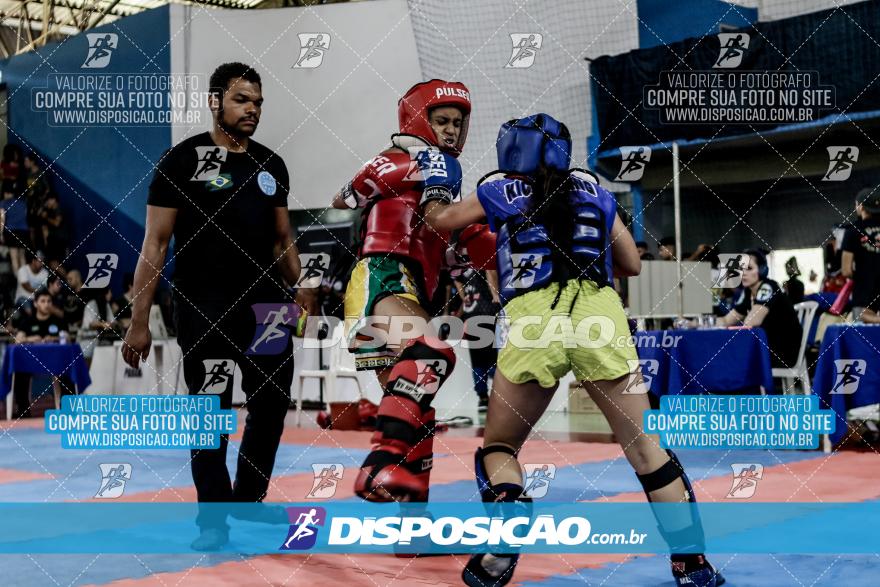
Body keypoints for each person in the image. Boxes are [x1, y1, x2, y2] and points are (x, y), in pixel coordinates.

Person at [425, 114, 723, 587]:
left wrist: (434, 183)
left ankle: (505, 526)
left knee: (500, 447)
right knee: (647, 450)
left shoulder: (498, 188)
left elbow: (438, 221)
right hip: (597, 310)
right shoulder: (594, 191)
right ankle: (693, 567)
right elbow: (631, 265)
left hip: (533, 315)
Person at [122, 62, 311, 551]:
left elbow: (281, 239)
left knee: (271, 403)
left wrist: (304, 282)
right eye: (241, 99)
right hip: (203, 303)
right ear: (214, 101)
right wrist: (138, 322)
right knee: (210, 409)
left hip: (270, 307)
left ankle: (247, 501)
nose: (252, 109)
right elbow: (154, 245)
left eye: (258, 101)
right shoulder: (181, 161)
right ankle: (213, 519)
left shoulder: (272, 165)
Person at [330, 79, 471, 503]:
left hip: (410, 285)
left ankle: (412, 529)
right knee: (432, 352)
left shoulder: (444, 176)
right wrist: (407, 166)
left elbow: (448, 238)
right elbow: (342, 199)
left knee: (416, 409)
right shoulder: (407, 159)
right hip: (384, 271)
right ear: (418, 119)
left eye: (458, 123)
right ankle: (377, 465)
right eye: (441, 120)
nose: (450, 131)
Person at [717, 250, 802, 368]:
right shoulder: (748, 292)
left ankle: (741, 386)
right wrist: (697, 324)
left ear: (762, 270)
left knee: (731, 356)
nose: (743, 273)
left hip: (783, 352)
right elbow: (727, 321)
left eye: (749, 268)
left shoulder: (769, 286)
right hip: (766, 347)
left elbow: (752, 321)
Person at [12, 288, 69, 418]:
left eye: (49, 301)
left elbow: (67, 338)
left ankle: (67, 408)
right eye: (43, 301)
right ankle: (23, 410)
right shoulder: (27, 322)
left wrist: (54, 338)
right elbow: (18, 340)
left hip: (55, 363)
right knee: (19, 373)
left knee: (68, 369)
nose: (46, 304)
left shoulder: (58, 321)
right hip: (31, 364)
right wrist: (30, 339)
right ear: (36, 303)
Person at [454, 267, 500, 412]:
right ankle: (498, 394)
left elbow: (455, 279)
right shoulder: (483, 264)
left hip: (471, 316)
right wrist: (496, 296)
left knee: (478, 360)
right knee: (492, 359)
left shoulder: (462, 268)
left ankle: (483, 398)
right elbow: (491, 272)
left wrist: (464, 299)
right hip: (487, 313)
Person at [841, 188, 880, 321]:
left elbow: (846, 270)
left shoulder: (852, 231)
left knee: (864, 338)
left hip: (864, 293)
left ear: (861, 206)